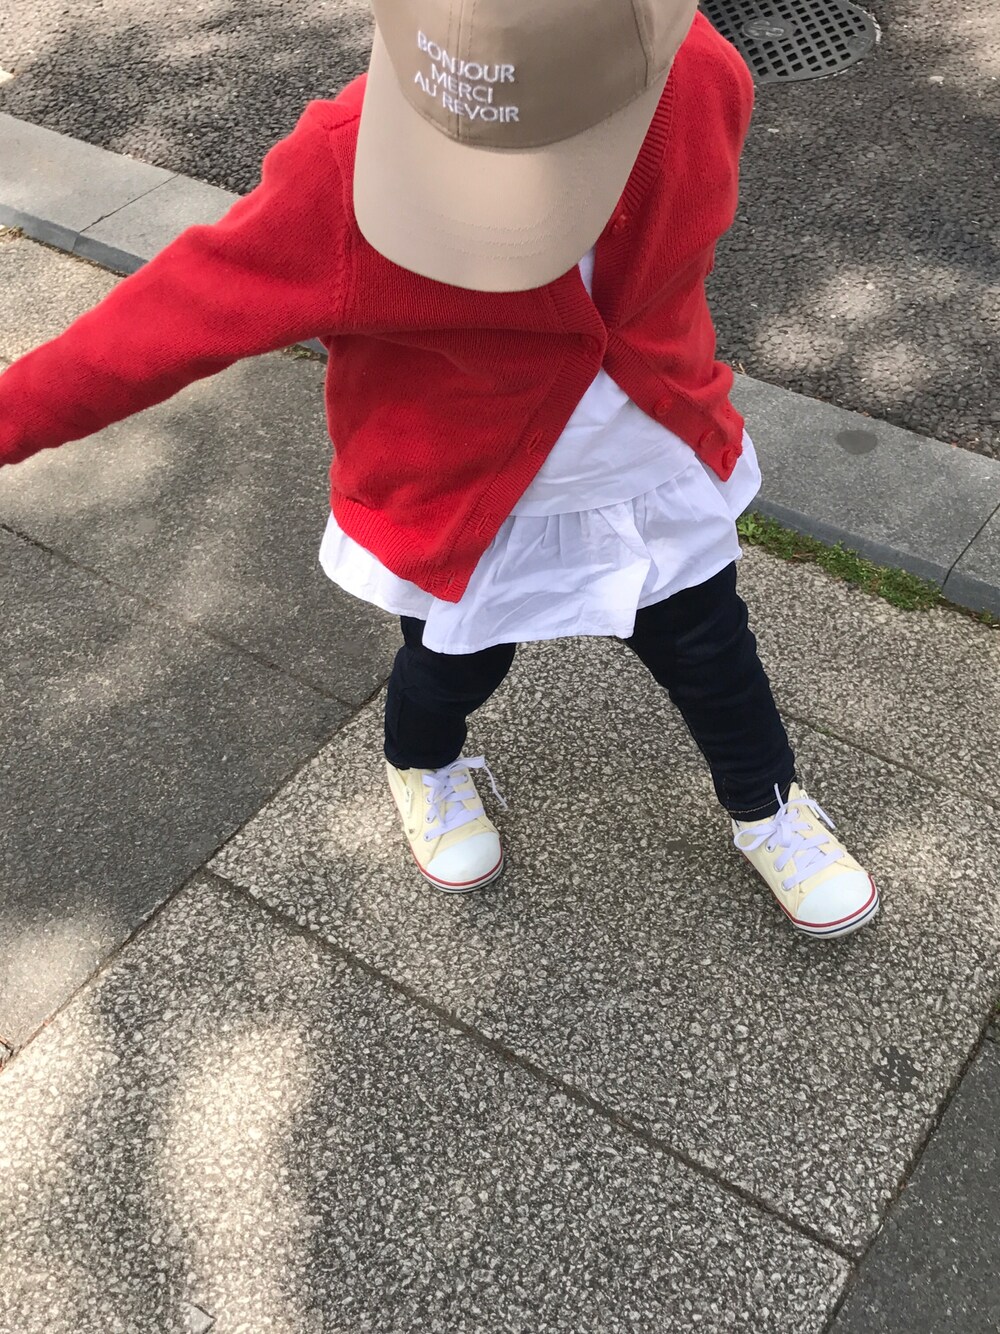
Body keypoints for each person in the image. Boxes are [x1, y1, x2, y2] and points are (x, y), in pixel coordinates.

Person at [0, 0, 879, 938]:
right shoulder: (344, 165)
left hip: (653, 466)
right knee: (450, 665)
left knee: (714, 655)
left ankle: (767, 804)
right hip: (463, 505)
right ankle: (421, 763)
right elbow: (167, 321)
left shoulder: (697, 72)